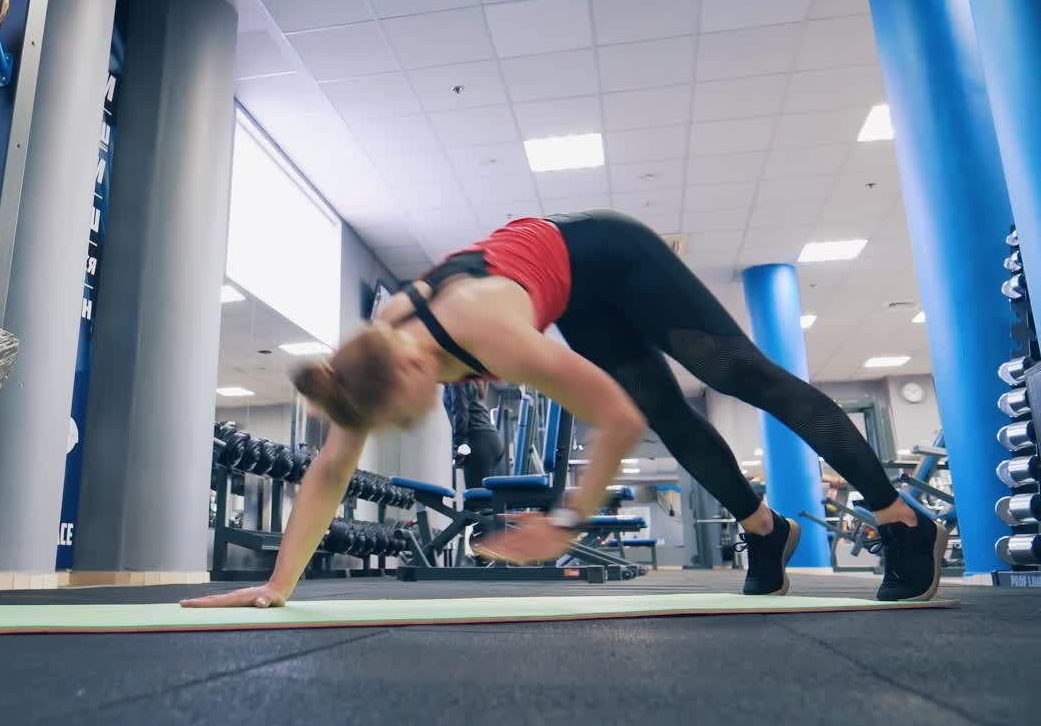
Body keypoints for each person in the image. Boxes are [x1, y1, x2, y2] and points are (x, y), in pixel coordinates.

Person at [185, 211, 945, 612]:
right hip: (573, 297)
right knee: (670, 417)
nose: (410, 420)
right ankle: (765, 531)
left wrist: (566, 524)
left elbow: (608, 416)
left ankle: (900, 521)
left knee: (742, 376)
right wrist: (279, 584)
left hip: (611, 257)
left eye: (409, 408)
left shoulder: (480, 328)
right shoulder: (368, 368)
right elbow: (329, 466)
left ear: (416, 362)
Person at [443, 378, 504, 491]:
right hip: (489, 440)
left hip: (478, 441)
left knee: (477, 502)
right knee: (485, 500)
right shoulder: (467, 379)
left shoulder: (456, 381)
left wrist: (459, 446)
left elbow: (460, 412)